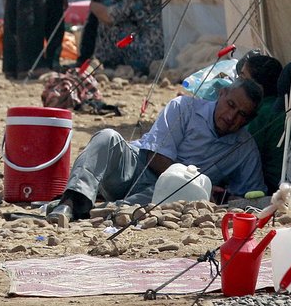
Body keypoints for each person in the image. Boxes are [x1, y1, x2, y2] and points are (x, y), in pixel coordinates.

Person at [47, 79, 266, 225]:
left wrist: (223, 195)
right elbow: (154, 156)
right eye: (230, 105)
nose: (231, 116)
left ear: (249, 119)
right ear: (221, 93)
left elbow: (252, 196)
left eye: (241, 114)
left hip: (167, 195)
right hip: (137, 168)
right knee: (107, 137)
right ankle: (70, 203)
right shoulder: (184, 107)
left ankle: (110, 211)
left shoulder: (244, 148)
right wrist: (191, 180)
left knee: (179, 190)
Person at [238, 53, 285, 193]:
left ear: (258, 86)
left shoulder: (261, 113)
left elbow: (242, 158)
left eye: (242, 77)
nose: (238, 82)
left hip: (267, 185)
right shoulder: (277, 105)